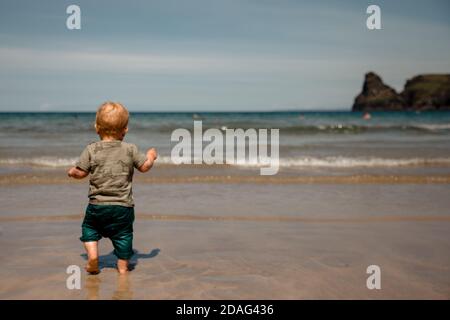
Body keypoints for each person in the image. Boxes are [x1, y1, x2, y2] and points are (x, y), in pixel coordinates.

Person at [67, 102, 157, 274]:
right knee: (124, 235)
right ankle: (122, 268)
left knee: (90, 230)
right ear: (125, 130)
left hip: (97, 206)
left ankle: (93, 256)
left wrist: (72, 172)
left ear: (96, 128)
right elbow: (144, 167)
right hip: (123, 207)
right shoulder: (130, 149)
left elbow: (81, 173)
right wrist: (151, 156)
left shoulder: (91, 149)